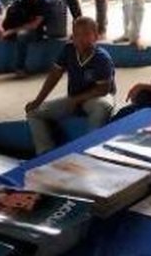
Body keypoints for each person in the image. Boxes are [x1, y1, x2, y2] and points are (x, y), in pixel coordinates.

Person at [25, 16, 115, 154]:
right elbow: (54, 76)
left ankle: (91, 152)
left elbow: (103, 90)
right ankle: (45, 153)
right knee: (33, 112)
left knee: (102, 107)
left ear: (96, 36)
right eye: (76, 35)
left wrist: (75, 100)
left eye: (86, 34)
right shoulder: (68, 50)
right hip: (75, 98)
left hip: (97, 97)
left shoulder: (102, 58)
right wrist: (38, 100)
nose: (80, 39)